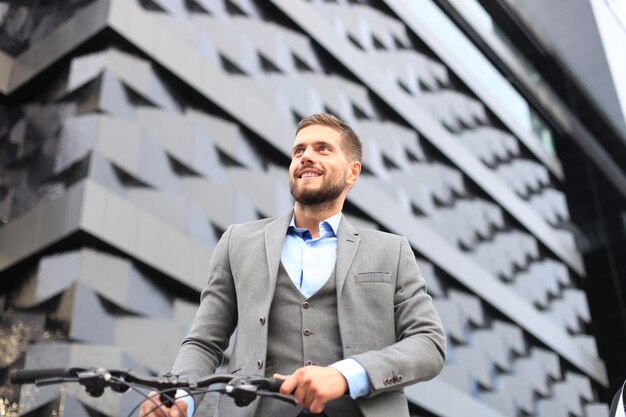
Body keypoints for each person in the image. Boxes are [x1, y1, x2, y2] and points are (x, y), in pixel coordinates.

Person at [139, 113, 446, 417]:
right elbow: (205, 342)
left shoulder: (390, 251)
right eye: (299, 150)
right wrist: (179, 396)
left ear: (353, 172)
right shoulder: (239, 242)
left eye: (322, 148)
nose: (306, 157)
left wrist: (345, 375)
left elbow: (429, 344)